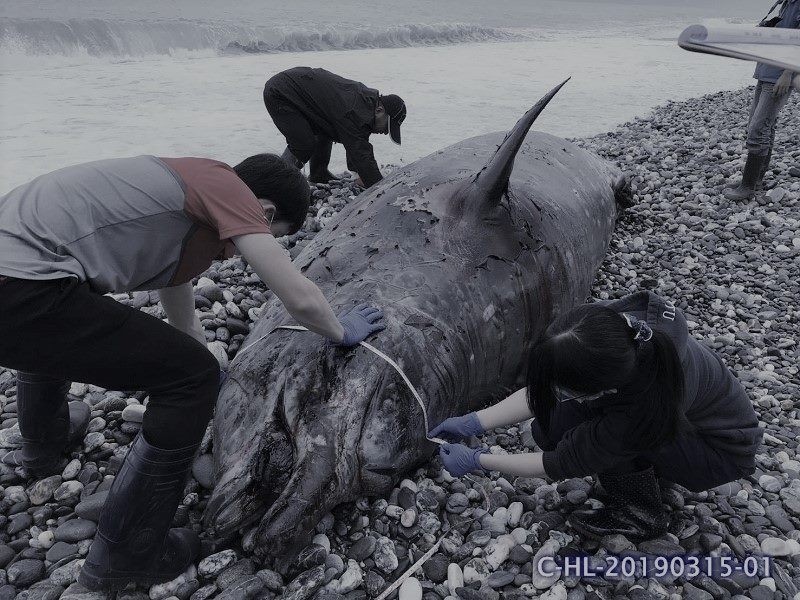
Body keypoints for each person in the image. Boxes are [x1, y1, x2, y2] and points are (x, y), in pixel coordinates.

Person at [0, 153, 385, 590]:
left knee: (178, 361)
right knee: (190, 378)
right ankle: (129, 554)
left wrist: (206, 365)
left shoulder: (182, 197)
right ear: (265, 212)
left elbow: (180, 308)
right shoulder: (228, 190)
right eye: (264, 235)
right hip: (22, 289)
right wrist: (340, 330)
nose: (235, 254)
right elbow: (298, 295)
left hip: (20, 279)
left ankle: (42, 444)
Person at [429, 291, 761, 541]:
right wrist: (475, 421)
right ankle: (650, 473)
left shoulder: (638, 413)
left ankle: (642, 515)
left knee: (593, 445)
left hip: (719, 452)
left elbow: (556, 465)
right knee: (551, 428)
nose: (557, 393)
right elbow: (548, 394)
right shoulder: (607, 329)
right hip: (682, 421)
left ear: (600, 393)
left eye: (569, 391)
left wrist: (478, 460)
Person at [263, 67, 407, 188]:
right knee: (303, 145)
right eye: (387, 126)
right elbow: (359, 150)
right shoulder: (355, 111)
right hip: (281, 92)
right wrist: (377, 186)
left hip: (298, 90)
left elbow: (355, 140)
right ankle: (274, 185)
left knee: (325, 129)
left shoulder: (366, 104)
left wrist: (361, 174)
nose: (385, 132)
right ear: (380, 110)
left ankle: (319, 174)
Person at [724, 0, 799, 201]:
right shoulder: (783, 3)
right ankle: (756, 179)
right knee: (765, 126)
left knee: (758, 130)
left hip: (779, 76)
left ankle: (747, 187)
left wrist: (787, 74)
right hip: (766, 70)